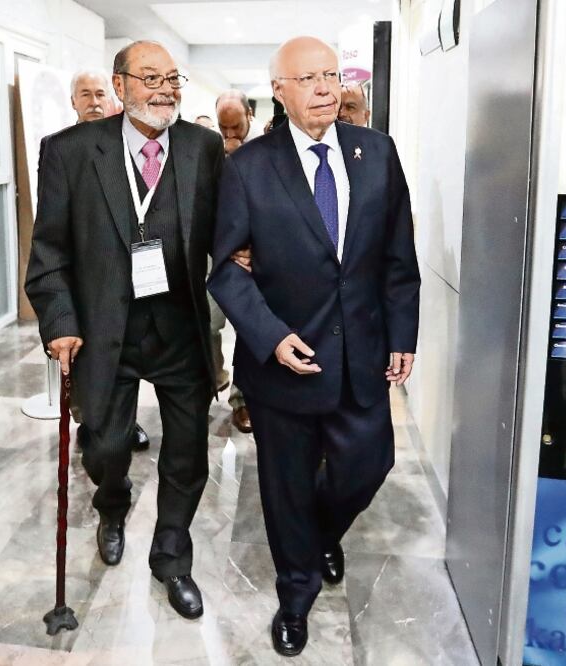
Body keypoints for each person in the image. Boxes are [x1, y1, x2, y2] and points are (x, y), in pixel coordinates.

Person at [208, 36, 420, 656]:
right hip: (284, 363)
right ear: (280, 90)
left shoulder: (376, 153)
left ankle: (322, 535)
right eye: (308, 78)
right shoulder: (248, 167)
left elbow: (397, 256)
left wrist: (402, 334)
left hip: (362, 356)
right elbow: (225, 268)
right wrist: (271, 338)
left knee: (369, 464)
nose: (325, 88)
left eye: (331, 75)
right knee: (285, 488)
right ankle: (295, 592)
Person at [26, 40, 224, 620]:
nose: (165, 88)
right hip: (102, 328)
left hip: (180, 327)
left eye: (172, 77)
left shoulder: (203, 148)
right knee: (106, 445)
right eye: (150, 77)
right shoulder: (68, 152)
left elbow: (225, 229)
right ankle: (112, 501)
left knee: (187, 454)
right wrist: (59, 322)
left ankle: (172, 558)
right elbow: (49, 251)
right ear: (120, 86)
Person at [37, 69, 151, 453]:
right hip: (83, 276)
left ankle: (122, 420)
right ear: (73, 102)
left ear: (114, 97)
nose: (94, 101)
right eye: (84, 94)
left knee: (124, 354)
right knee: (89, 358)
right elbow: (51, 224)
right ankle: (90, 420)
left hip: (131, 275)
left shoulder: (133, 144)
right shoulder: (57, 147)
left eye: (100, 93)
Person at [210, 89, 263, 434]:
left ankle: (242, 401)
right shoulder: (209, 152)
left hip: (255, 260)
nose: (230, 136)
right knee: (207, 324)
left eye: (237, 128)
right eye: (223, 128)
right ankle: (212, 380)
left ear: (250, 117)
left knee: (250, 330)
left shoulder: (266, 152)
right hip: (217, 257)